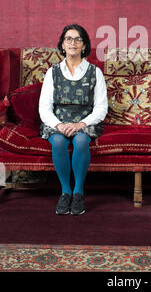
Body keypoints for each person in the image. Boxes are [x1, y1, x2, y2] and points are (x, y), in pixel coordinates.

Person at [39, 24, 108, 215]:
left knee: (80, 140)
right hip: (57, 121)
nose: (73, 43)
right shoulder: (52, 72)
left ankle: (78, 192)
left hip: (85, 121)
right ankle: (65, 192)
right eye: (68, 39)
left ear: (84, 45)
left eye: (78, 39)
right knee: (59, 141)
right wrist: (58, 125)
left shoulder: (95, 72)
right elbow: (44, 107)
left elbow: (101, 108)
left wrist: (80, 124)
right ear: (62, 44)